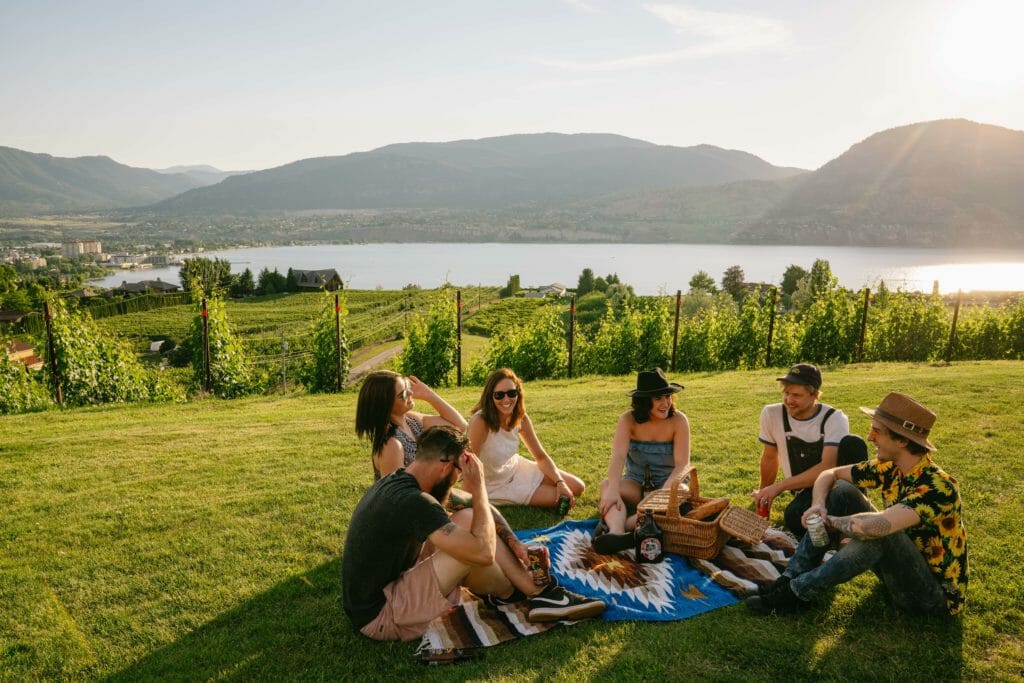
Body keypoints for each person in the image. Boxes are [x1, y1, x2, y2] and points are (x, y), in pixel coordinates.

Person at [342, 425, 606, 641]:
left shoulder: (403, 479)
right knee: (471, 550)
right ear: (446, 466)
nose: (459, 479)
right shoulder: (414, 501)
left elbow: (474, 508)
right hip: (380, 615)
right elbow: (483, 552)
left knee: (468, 517)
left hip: (386, 587)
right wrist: (479, 486)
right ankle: (535, 594)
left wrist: (515, 545)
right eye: (460, 472)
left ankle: (520, 593)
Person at [746, 392, 968, 617]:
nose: (870, 437)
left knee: (880, 530)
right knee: (842, 490)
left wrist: (831, 521)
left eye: (877, 431)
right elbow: (829, 474)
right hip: (898, 572)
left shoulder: (939, 487)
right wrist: (818, 505)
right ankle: (788, 580)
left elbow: (877, 527)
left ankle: (796, 594)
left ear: (902, 440)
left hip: (930, 598)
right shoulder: (890, 468)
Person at [752, 363, 867, 537]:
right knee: (793, 518)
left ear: (815, 395)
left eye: (796, 395)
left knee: (854, 443)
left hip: (837, 484)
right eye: (786, 393)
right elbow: (769, 457)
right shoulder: (771, 414)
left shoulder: (834, 418)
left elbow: (827, 467)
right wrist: (764, 496)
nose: (789, 400)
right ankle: (838, 522)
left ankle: (852, 520)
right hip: (805, 490)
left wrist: (779, 487)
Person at [593, 368, 690, 554]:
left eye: (667, 397)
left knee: (683, 493)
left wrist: (661, 496)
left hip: (668, 484)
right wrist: (613, 488)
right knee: (606, 486)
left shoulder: (679, 421)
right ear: (645, 402)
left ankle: (633, 527)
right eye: (658, 399)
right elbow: (618, 456)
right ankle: (617, 533)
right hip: (636, 482)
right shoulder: (627, 420)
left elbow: (681, 465)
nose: (666, 403)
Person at [468, 368, 585, 510]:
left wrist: (560, 482)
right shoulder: (480, 421)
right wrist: (469, 499)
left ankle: (542, 484)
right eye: (499, 395)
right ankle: (530, 490)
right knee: (562, 499)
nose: (506, 399)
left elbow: (541, 457)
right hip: (494, 484)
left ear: (518, 393)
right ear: (490, 397)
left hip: (516, 468)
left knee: (577, 487)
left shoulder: (520, 418)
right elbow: (468, 463)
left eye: (511, 393)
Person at [355, 370, 468, 480]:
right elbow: (394, 494)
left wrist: (428, 395)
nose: (411, 393)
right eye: (403, 394)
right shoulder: (391, 445)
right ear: (385, 405)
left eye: (407, 387)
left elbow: (459, 427)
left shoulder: (411, 420)